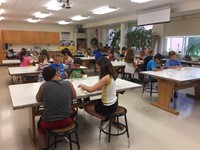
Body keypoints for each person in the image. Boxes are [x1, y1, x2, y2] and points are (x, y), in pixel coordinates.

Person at [36, 66, 77, 150]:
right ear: (57, 74)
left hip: (48, 123)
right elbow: (74, 96)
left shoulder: (44, 85)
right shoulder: (68, 83)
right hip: (67, 120)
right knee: (73, 110)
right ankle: (66, 134)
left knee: (40, 125)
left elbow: (38, 99)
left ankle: (44, 147)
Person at [78, 57, 118, 129]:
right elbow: (100, 88)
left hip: (108, 106)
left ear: (103, 68)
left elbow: (90, 90)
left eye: (98, 68)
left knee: (86, 107)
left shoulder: (106, 78)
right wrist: (91, 88)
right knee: (91, 102)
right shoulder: (111, 75)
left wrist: (82, 85)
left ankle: (105, 118)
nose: (97, 70)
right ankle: (108, 118)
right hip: (114, 103)